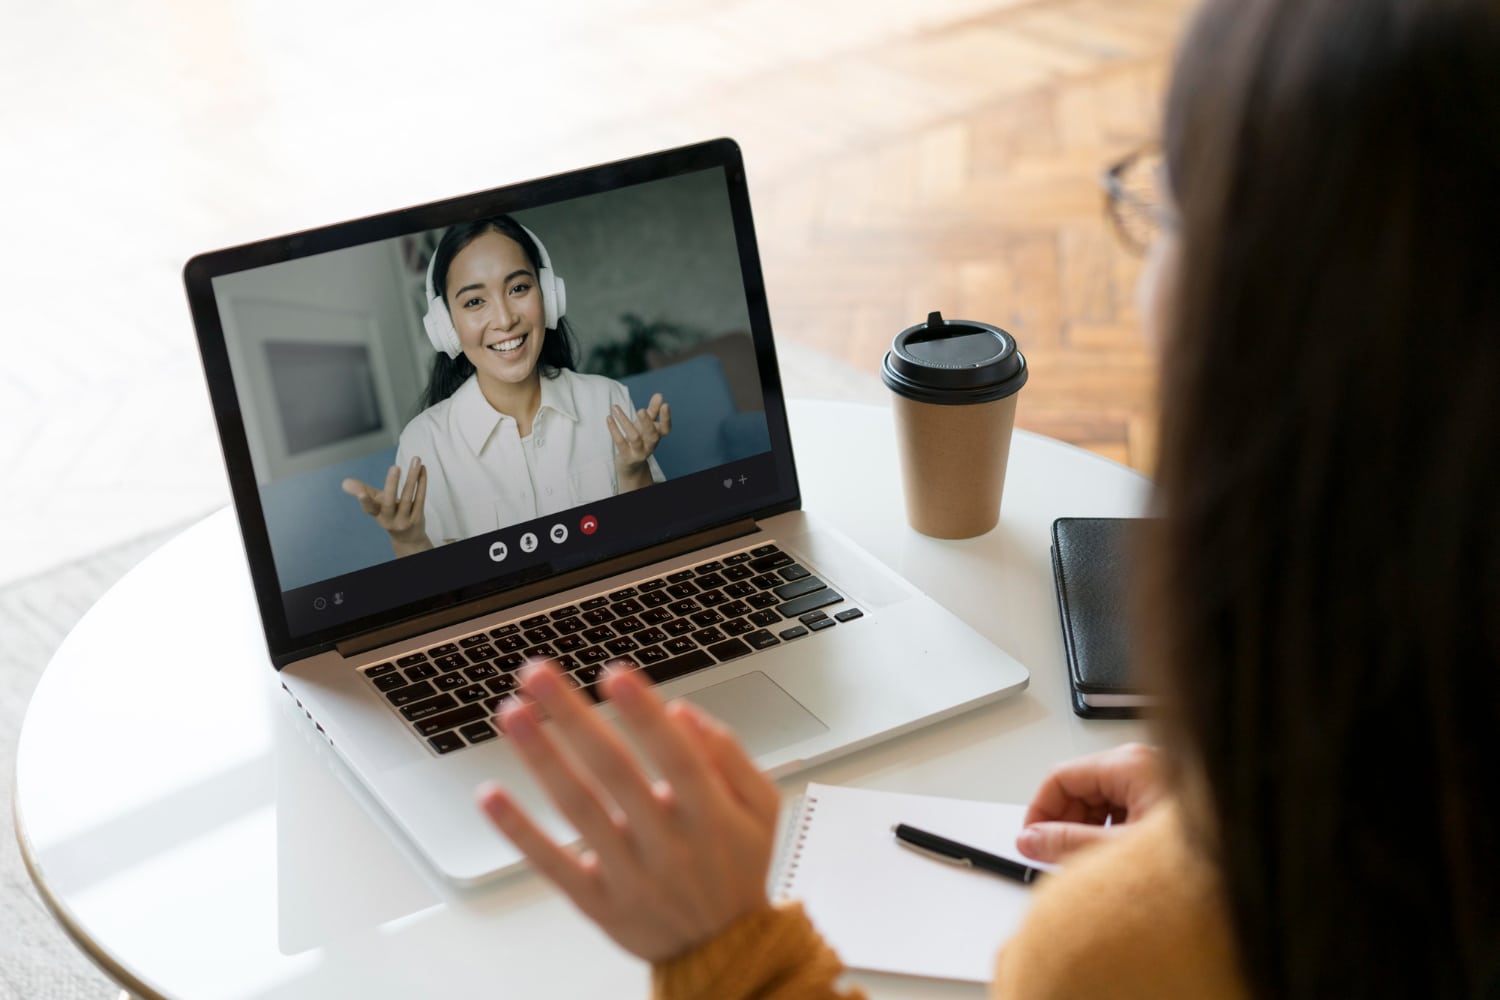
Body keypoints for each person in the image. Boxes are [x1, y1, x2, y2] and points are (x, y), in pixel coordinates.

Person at [474, 0, 1500, 996]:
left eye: (1175, 205)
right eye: (472, 300)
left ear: (1267, 302)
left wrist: (728, 950)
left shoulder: (1125, 954)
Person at [341, 215, 672, 556]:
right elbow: (442, 601)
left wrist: (633, 473)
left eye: (518, 288)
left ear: (548, 296)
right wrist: (409, 541)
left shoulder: (606, 400)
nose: (505, 319)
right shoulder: (426, 442)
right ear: (445, 325)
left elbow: (651, 552)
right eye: (474, 301)